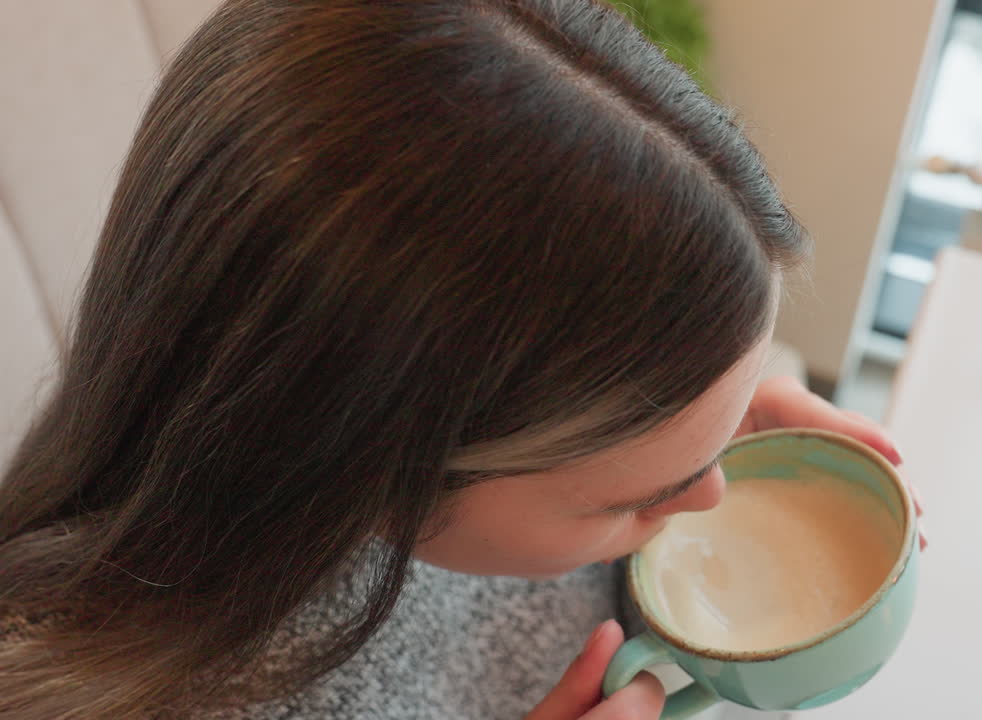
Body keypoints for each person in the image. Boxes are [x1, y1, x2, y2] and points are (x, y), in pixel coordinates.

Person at [0, 0, 918, 718]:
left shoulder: (424, 456)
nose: (710, 494)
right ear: (364, 472)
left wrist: (707, 417)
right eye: (636, 497)